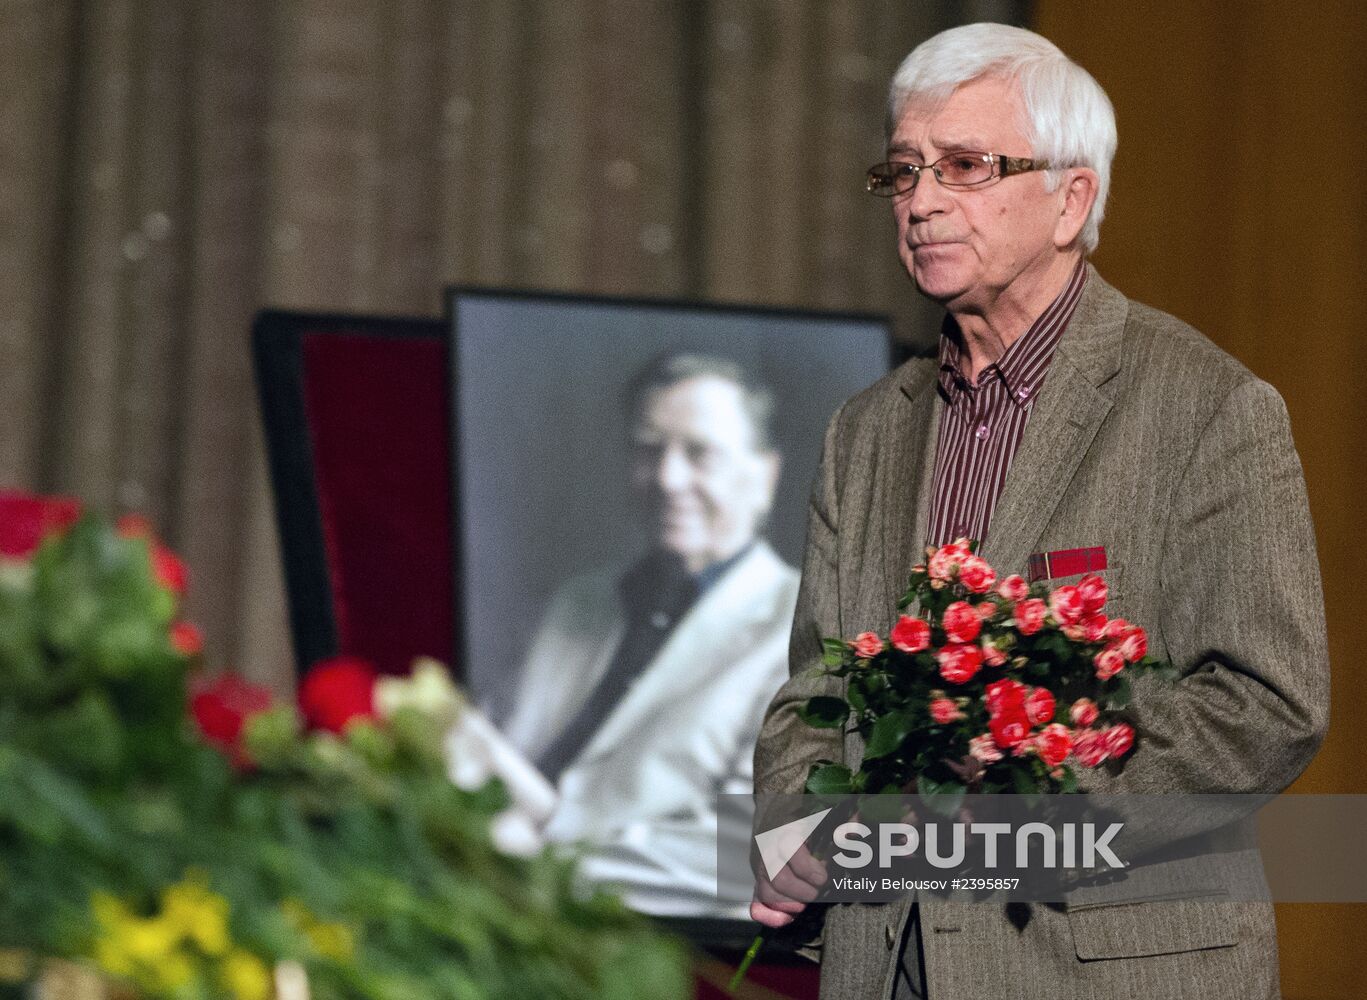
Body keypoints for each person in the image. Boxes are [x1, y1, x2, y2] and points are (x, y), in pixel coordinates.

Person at [749, 22, 1328, 1000]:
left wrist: (1029, 807)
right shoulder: (864, 432)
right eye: (901, 172)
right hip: (886, 962)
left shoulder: (1208, 410)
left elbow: (1267, 701)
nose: (922, 201)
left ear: (1070, 199)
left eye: (963, 166)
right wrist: (800, 816)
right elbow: (816, 687)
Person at [502, 352, 800, 917]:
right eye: (649, 449)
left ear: (765, 475)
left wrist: (533, 868)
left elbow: (749, 850)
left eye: (699, 453)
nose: (668, 478)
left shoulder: (806, 624)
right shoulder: (578, 604)